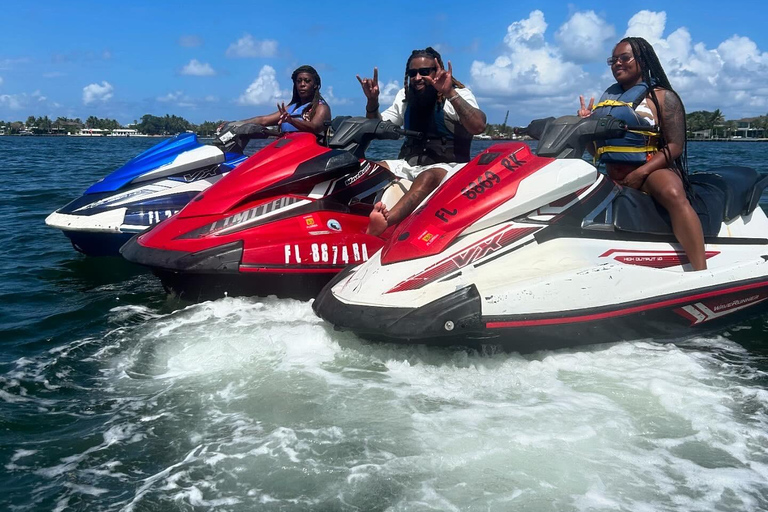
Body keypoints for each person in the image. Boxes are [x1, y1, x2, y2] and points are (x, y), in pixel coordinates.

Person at [578, 37, 706, 271]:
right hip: (613, 172)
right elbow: (596, 152)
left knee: (673, 193)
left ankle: (701, 270)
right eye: (613, 60)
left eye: (624, 58)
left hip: (651, 169)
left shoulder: (662, 97)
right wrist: (585, 127)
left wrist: (641, 173)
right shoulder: (606, 103)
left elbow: (675, 146)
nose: (617, 64)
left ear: (642, 60)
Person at [357, 47, 487, 236]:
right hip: (409, 164)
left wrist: (449, 92)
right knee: (369, 168)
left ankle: (385, 222)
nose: (417, 77)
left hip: (449, 168)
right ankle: (348, 215)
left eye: (425, 72)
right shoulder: (405, 96)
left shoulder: (458, 94)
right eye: (413, 73)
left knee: (427, 177)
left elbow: (478, 126)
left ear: (438, 70)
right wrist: (372, 101)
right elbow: (377, 128)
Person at [224, 65, 330, 135]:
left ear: (315, 85)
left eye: (307, 81)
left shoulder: (321, 108)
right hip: (287, 151)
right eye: (299, 81)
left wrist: (291, 120)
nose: (302, 84)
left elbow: (315, 127)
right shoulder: (291, 109)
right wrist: (235, 124)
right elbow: (263, 120)